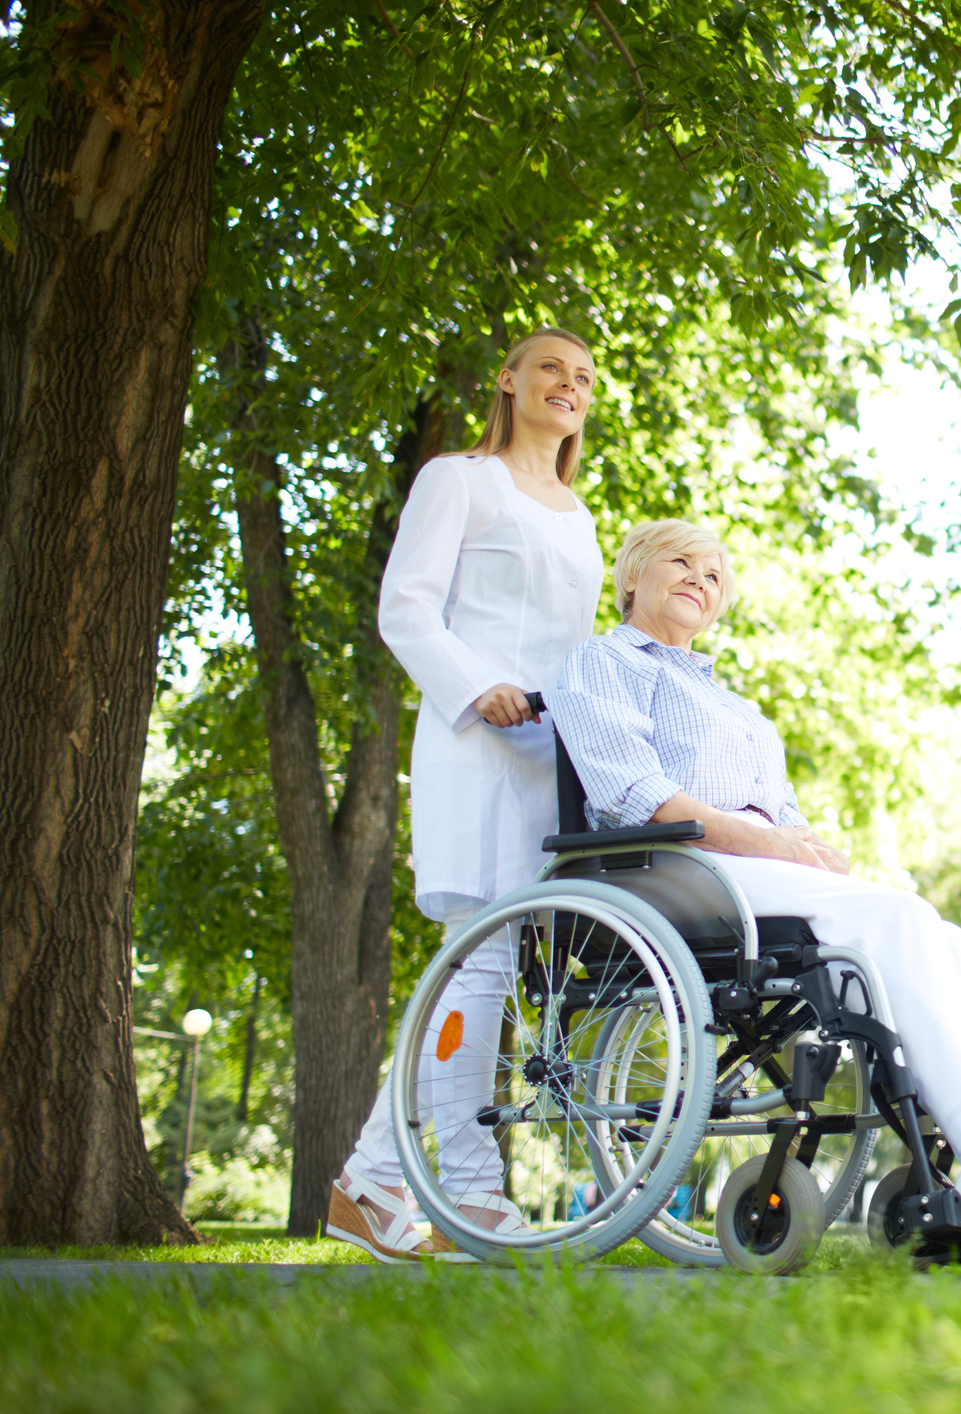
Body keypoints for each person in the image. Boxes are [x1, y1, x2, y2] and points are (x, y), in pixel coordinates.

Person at [543, 519, 961, 1242]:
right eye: (680, 563)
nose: (698, 581)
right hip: (672, 871)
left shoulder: (733, 706)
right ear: (630, 578)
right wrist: (774, 844)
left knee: (942, 935)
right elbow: (633, 795)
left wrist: (802, 845)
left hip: (749, 870)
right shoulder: (602, 664)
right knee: (896, 920)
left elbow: (784, 815)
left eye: (713, 577)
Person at [323, 329, 607, 1262]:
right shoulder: (459, 478)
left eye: (582, 378)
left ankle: (369, 1180)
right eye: (551, 369)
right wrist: (474, 683)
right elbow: (405, 606)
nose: (567, 385)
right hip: (474, 737)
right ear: (510, 382)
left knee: (478, 964)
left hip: (548, 754)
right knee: (476, 960)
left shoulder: (576, 514)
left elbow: (575, 645)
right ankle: (471, 1190)